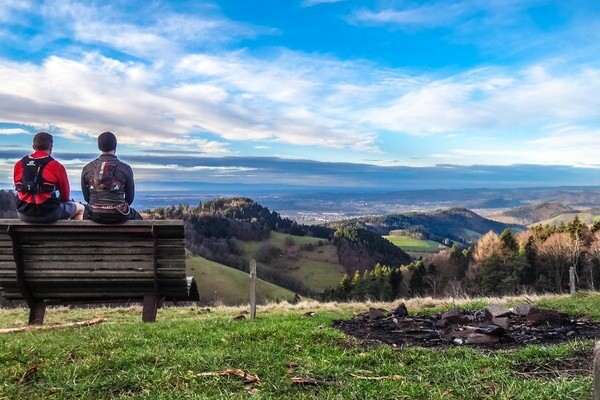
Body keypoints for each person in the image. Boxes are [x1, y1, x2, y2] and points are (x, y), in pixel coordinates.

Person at [13, 132, 85, 222]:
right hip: (50, 213)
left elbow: (19, 189)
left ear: (33, 147)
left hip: (24, 213)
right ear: (51, 147)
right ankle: (73, 236)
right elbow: (65, 197)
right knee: (81, 208)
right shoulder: (56, 166)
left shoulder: (19, 164)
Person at [81, 131, 142, 223]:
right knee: (137, 217)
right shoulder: (125, 168)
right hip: (118, 214)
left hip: (94, 214)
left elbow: (87, 198)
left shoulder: (87, 168)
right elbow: (130, 198)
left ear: (99, 146)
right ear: (115, 146)